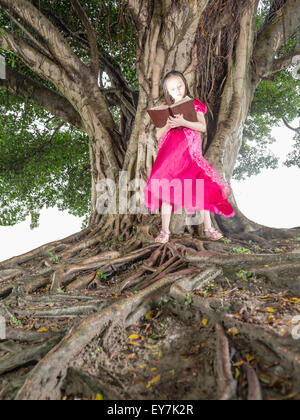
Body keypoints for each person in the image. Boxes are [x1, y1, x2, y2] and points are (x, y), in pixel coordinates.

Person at [143, 70, 235, 244]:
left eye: (180, 86)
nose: (177, 91)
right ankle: (164, 231)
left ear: (185, 84)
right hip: (169, 158)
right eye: (172, 89)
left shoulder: (195, 104)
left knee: (200, 189)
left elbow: (202, 127)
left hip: (190, 155)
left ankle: (208, 228)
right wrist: (169, 125)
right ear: (167, 92)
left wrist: (183, 122)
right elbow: (157, 135)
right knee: (166, 192)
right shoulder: (165, 109)